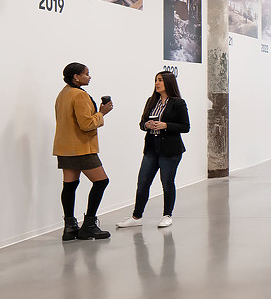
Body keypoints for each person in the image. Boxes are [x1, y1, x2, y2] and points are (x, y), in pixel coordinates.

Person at [116, 71, 191, 229]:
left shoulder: (178, 103)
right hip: (151, 148)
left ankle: (167, 215)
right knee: (143, 182)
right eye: (156, 80)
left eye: (161, 80)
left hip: (170, 150)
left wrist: (166, 125)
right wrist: (146, 125)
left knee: (167, 183)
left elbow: (185, 127)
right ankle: (136, 217)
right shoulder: (151, 101)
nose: (157, 83)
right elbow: (142, 123)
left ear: (168, 83)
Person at [53, 62, 114, 241]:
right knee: (101, 181)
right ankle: (89, 225)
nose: (89, 77)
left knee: (70, 185)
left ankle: (70, 227)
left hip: (64, 148)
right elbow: (86, 124)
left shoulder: (62, 94)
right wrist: (102, 113)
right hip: (81, 148)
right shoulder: (79, 95)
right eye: (86, 74)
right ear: (76, 77)